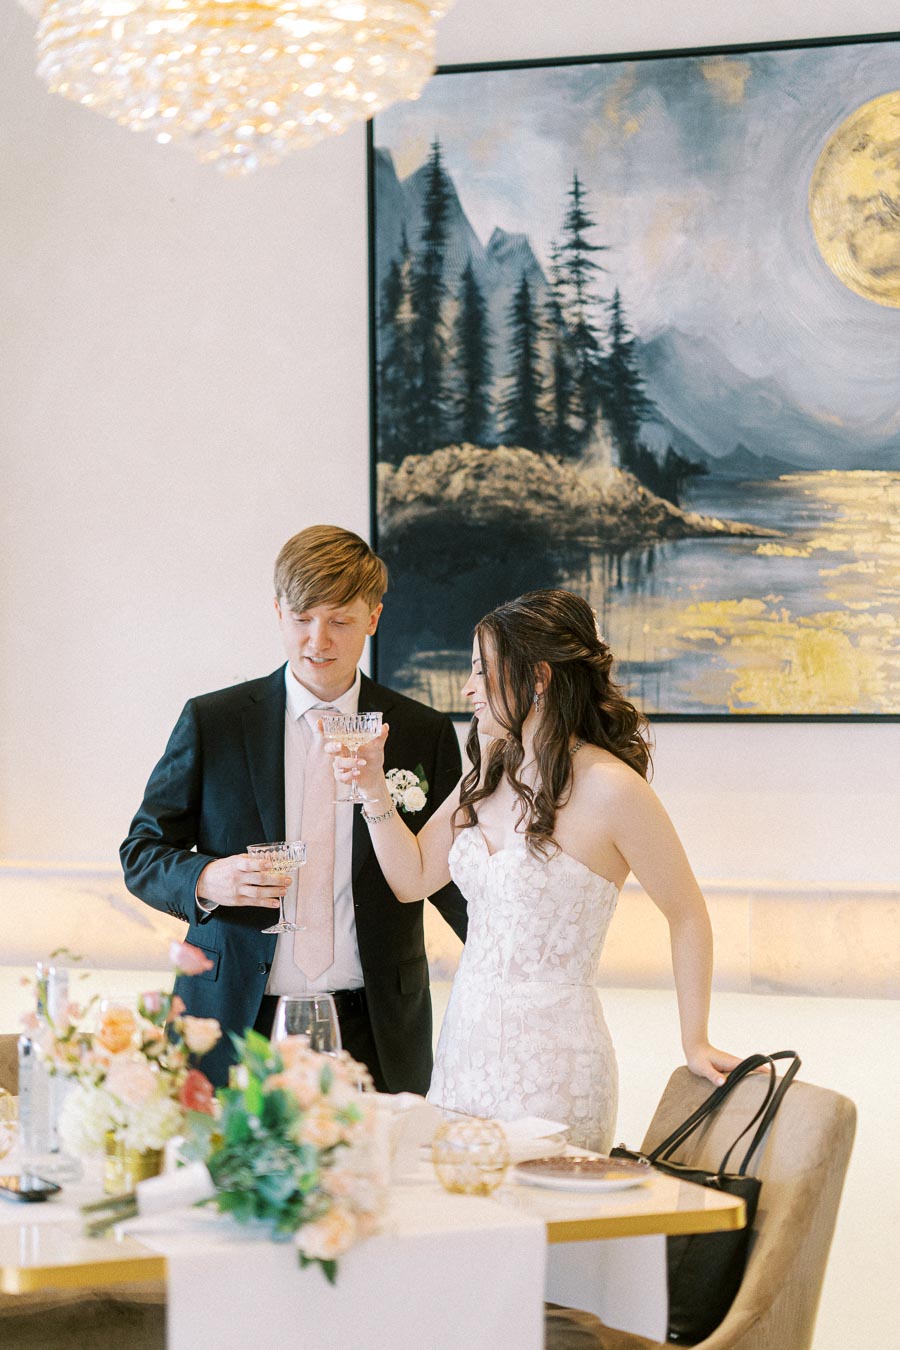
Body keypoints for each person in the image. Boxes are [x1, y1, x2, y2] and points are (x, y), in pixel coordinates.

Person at [333, 588, 740, 1151]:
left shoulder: (612, 788)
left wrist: (694, 1039)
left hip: (555, 1067)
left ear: (539, 678)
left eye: (481, 671)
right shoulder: (489, 774)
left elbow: (688, 913)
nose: (467, 689)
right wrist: (371, 787)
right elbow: (412, 879)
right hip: (462, 1056)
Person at [120, 525, 467, 1091]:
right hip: (233, 1020)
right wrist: (210, 877)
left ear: (373, 618)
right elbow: (141, 853)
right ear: (278, 611)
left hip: (374, 1025)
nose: (317, 640)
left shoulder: (421, 732)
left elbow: (454, 875)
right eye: (302, 618)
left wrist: (519, 965)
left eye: (339, 620)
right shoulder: (215, 722)